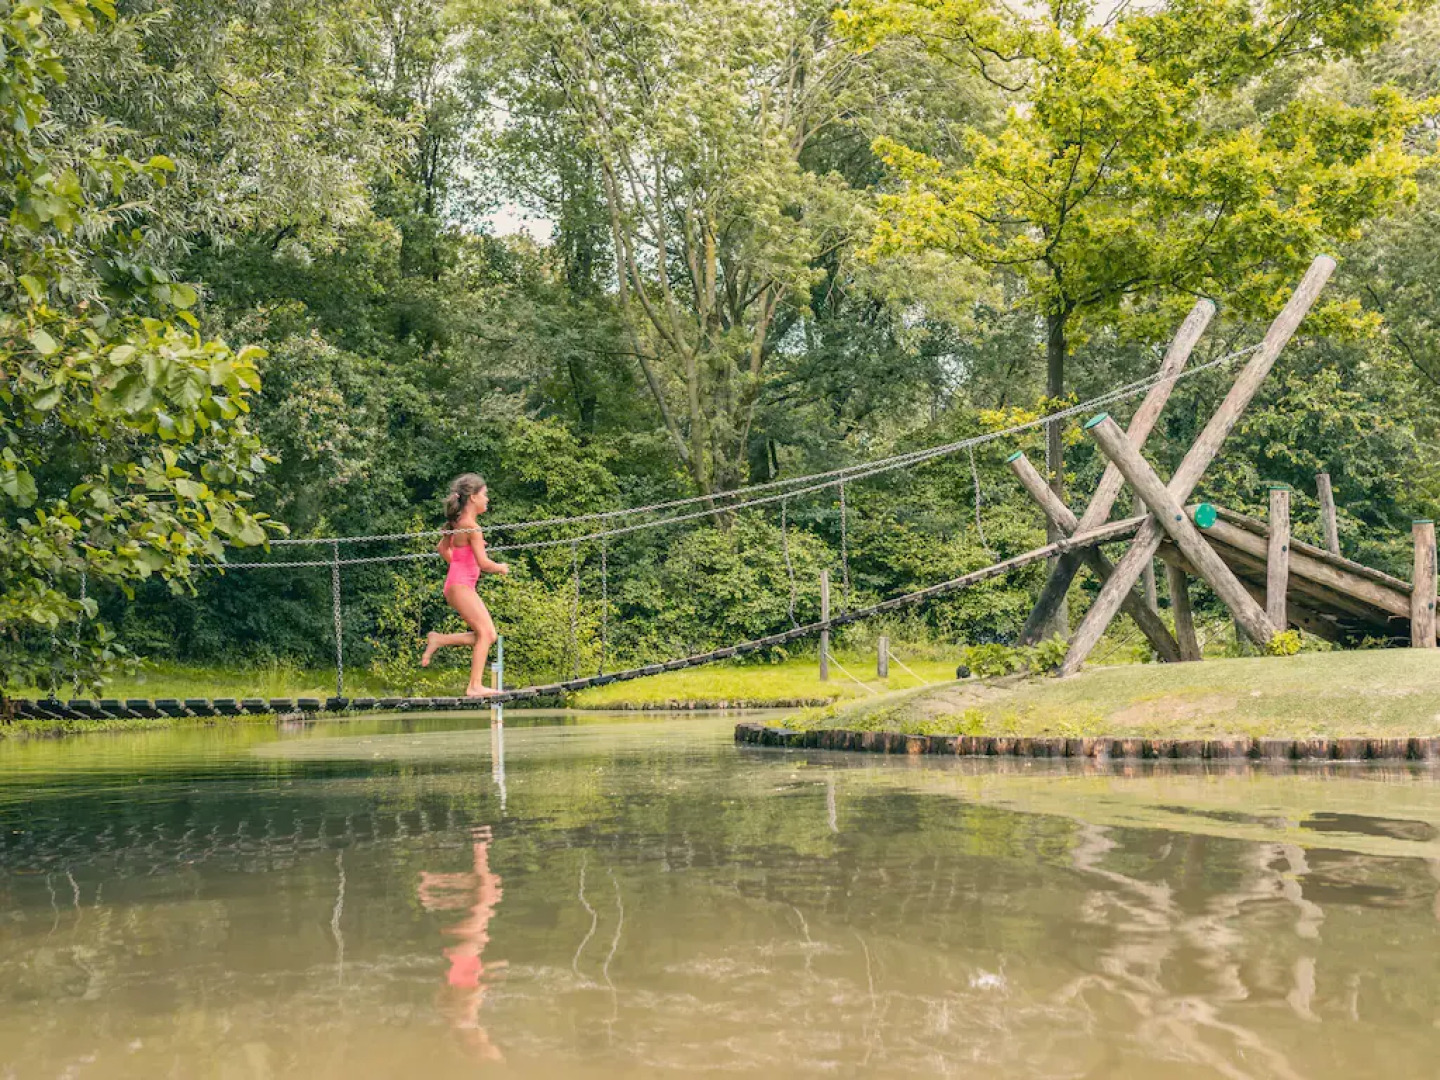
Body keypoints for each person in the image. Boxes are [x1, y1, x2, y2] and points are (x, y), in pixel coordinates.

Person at [421, 473, 509, 696]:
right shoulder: (472, 528)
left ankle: (439, 639)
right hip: (460, 586)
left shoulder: (458, 523)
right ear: (473, 497)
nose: (487, 499)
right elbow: (484, 563)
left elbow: (443, 549)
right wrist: (500, 567)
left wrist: (459, 567)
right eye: (485, 494)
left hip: (457, 585)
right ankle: (474, 686)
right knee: (486, 633)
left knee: (489, 635)